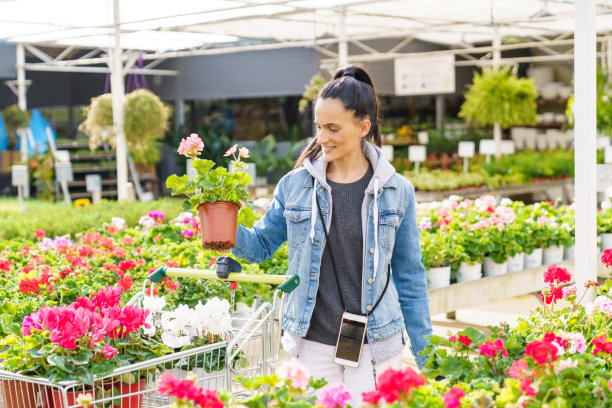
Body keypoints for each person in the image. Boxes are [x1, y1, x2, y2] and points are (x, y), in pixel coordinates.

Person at [231, 65, 432, 404]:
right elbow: (261, 246)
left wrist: (429, 358)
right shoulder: (295, 186)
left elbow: (410, 277)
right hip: (312, 344)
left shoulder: (397, 191)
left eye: (333, 128)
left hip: (376, 346)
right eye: (319, 127)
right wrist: (222, 223)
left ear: (363, 127)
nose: (322, 137)